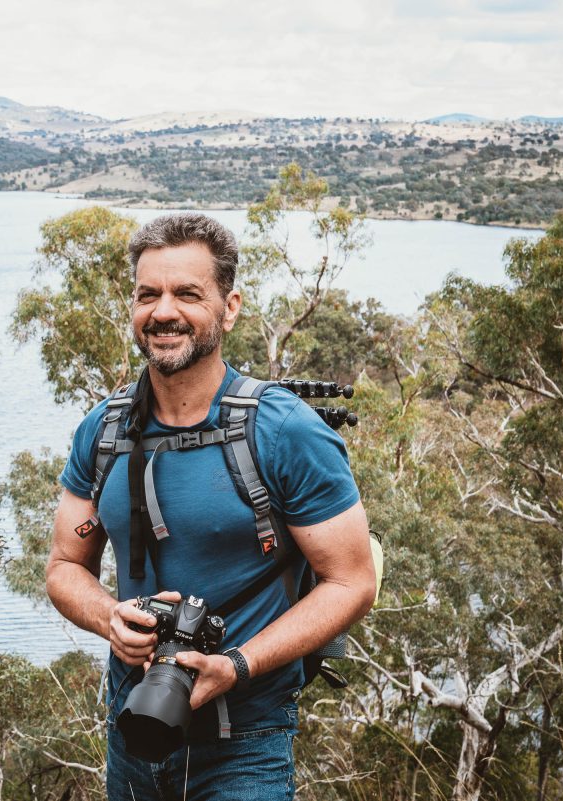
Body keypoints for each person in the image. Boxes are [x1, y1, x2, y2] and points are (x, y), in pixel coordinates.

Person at [46, 212, 377, 800]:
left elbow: (353, 582)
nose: (163, 311)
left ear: (230, 307)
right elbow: (65, 566)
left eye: (187, 294)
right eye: (148, 294)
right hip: (132, 729)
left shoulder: (284, 433)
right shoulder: (102, 432)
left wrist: (238, 664)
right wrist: (110, 620)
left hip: (244, 744)